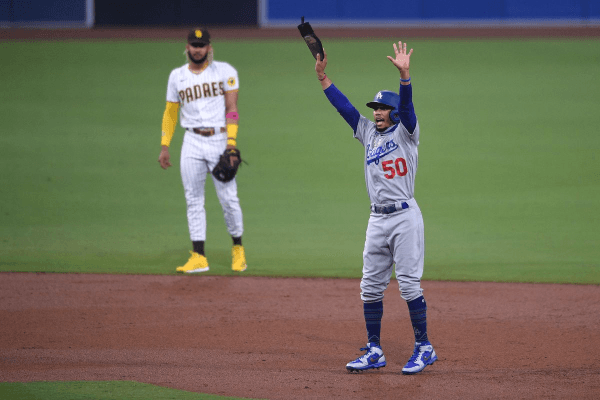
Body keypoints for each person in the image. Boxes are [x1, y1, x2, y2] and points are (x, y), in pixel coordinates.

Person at [314, 41, 437, 374]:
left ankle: (424, 347)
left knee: (408, 285)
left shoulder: (408, 133)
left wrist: (405, 77)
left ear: (393, 112)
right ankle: (374, 350)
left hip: (405, 218)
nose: (377, 112)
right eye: (375, 108)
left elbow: (408, 107)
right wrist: (324, 78)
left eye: (383, 108)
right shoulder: (367, 132)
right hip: (377, 219)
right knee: (369, 287)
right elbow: (345, 108)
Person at [158, 27, 247, 273]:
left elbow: (232, 108)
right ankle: (199, 256)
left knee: (229, 199)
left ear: (209, 48)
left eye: (202, 45)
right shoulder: (177, 76)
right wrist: (165, 145)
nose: (198, 50)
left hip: (220, 139)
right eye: (194, 45)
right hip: (191, 141)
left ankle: (238, 248)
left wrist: (231, 142)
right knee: (193, 199)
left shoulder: (225, 71)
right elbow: (170, 113)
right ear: (187, 47)